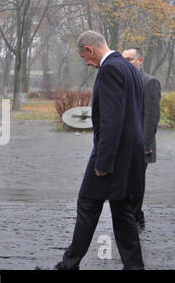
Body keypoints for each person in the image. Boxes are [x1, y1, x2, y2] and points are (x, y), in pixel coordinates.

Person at [55, 31, 145, 270]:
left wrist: (103, 163)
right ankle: (134, 266)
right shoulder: (129, 69)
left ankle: (69, 265)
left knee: (87, 204)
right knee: (123, 210)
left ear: (89, 49)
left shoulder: (110, 70)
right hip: (127, 155)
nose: (86, 63)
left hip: (111, 156)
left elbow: (111, 121)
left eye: (84, 57)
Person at [122, 47, 161, 229]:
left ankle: (135, 218)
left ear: (141, 60)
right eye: (124, 59)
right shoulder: (124, 80)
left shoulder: (149, 82)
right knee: (126, 182)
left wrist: (145, 145)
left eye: (129, 59)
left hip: (141, 144)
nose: (126, 62)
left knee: (137, 183)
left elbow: (151, 117)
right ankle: (134, 216)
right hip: (124, 143)